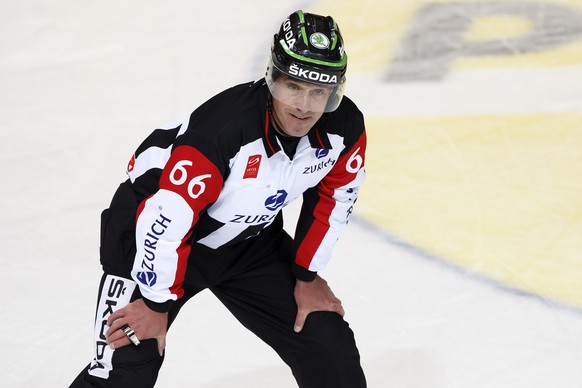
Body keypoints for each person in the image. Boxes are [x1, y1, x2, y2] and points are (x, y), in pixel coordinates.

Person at [70, 9, 367, 388]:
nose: (304, 106)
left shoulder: (344, 127)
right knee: (124, 366)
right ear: (272, 77)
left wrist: (306, 276)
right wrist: (156, 302)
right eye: (293, 86)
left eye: (319, 93)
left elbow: (336, 198)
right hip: (149, 239)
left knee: (326, 340)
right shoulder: (222, 131)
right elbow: (166, 217)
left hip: (246, 242)